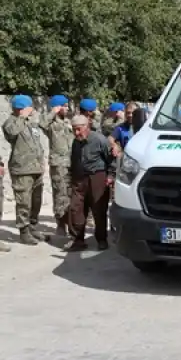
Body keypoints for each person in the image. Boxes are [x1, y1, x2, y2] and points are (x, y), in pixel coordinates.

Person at [66, 115, 117, 251]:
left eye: (78, 130)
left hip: (97, 177)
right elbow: (74, 160)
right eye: (73, 130)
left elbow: (111, 159)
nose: (76, 133)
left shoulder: (100, 140)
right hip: (79, 179)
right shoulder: (76, 141)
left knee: (98, 209)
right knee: (75, 208)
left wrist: (111, 176)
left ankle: (101, 239)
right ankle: (77, 240)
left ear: (86, 127)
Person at [2, 95, 46, 245]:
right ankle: (24, 231)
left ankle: (33, 227)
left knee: (36, 201)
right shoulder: (10, 123)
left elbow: (37, 144)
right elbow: (12, 133)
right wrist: (21, 117)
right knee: (24, 202)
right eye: (29, 106)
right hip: (21, 170)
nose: (32, 109)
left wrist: (42, 162)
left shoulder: (30, 124)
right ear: (21, 108)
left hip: (36, 168)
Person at [39, 94, 74, 237]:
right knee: (60, 194)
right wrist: (53, 111)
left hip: (71, 163)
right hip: (58, 164)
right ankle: (60, 223)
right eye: (64, 106)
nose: (67, 108)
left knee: (71, 194)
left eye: (67, 106)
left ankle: (70, 222)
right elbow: (41, 123)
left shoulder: (68, 122)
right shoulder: (51, 124)